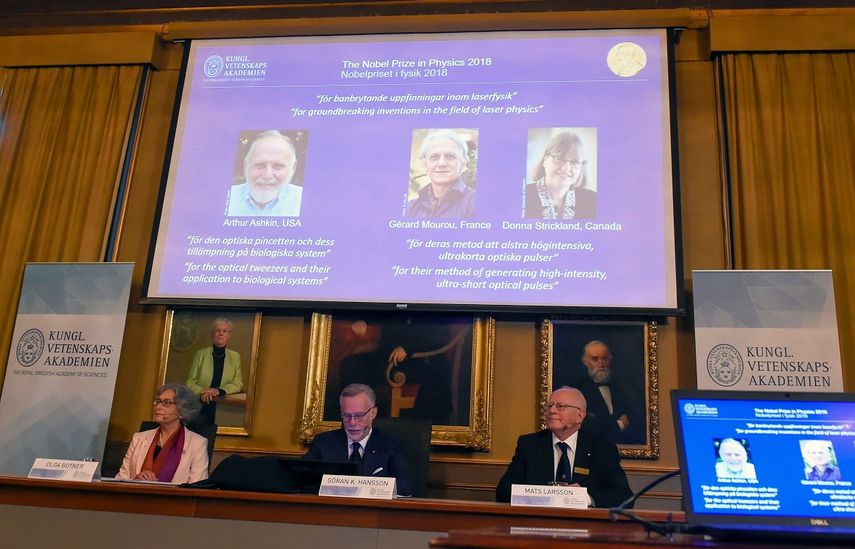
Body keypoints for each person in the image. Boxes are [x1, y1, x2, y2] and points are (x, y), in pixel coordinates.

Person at [496, 387, 633, 507]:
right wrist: (546, 496)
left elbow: (624, 496)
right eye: (549, 406)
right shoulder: (530, 445)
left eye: (560, 406)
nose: (552, 411)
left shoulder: (601, 449)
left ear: (580, 415)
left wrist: (585, 498)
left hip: (585, 528)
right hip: (538, 524)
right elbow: (504, 491)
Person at [336, 318, 458, 425]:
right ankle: (351, 419)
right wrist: (362, 320)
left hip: (417, 360)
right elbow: (379, 312)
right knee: (350, 365)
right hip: (386, 357)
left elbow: (439, 337)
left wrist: (407, 349)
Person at [304, 383, 414, 496]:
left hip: (374, 512)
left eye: (359, 416)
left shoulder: (392, 446)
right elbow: (302, 481)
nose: (352, 423)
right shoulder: (323, 443)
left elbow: (405, 488)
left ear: (373, 413)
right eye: (346, 415)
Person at [116, 383, 209, 483]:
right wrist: (136, 481)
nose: (158, 406)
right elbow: (120, 479)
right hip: (134, 497)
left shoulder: (197, 443)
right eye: (158, 401)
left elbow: (197, 487)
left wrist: (156, 486)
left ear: (182, 411)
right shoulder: (139, 438)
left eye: (167, 403)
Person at [569, 341, 639, 444]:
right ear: (585, 361)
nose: (601, 364)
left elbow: (634, 420)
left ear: (610, 360)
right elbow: (587, 427)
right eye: (595, 359)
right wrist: (620, 425)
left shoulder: (620, 388)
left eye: (604, 359)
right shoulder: (576, 390)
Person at [227, 130, 303, 216]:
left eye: (278, 166)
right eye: (260, 165)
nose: (267, 176)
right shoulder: (226, 198)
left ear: (293, 168)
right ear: (246, 166)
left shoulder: (305, 202)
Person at [406, 129, 475, 218]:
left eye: (450, 156)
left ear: (463, 162)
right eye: (434, 157)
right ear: (424, 164)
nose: (441, 163)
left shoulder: (475, 203)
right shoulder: (410, 208)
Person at [525, 131, 595, 219]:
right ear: (545, 160)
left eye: (575, 162)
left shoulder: (593, 201)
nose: (566, 168)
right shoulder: (523, 196)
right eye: (560, 158)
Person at [186, 318, 244, 425]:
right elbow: (190, 382)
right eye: (218, 330)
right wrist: (203, 392)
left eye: (225, 331)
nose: (221, 334)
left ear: (229, 335)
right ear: (212, 334)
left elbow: (238, 383)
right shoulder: (200, 354)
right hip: (200, 403)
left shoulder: (235, 357)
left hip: (223, 407)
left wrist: (219, 391)